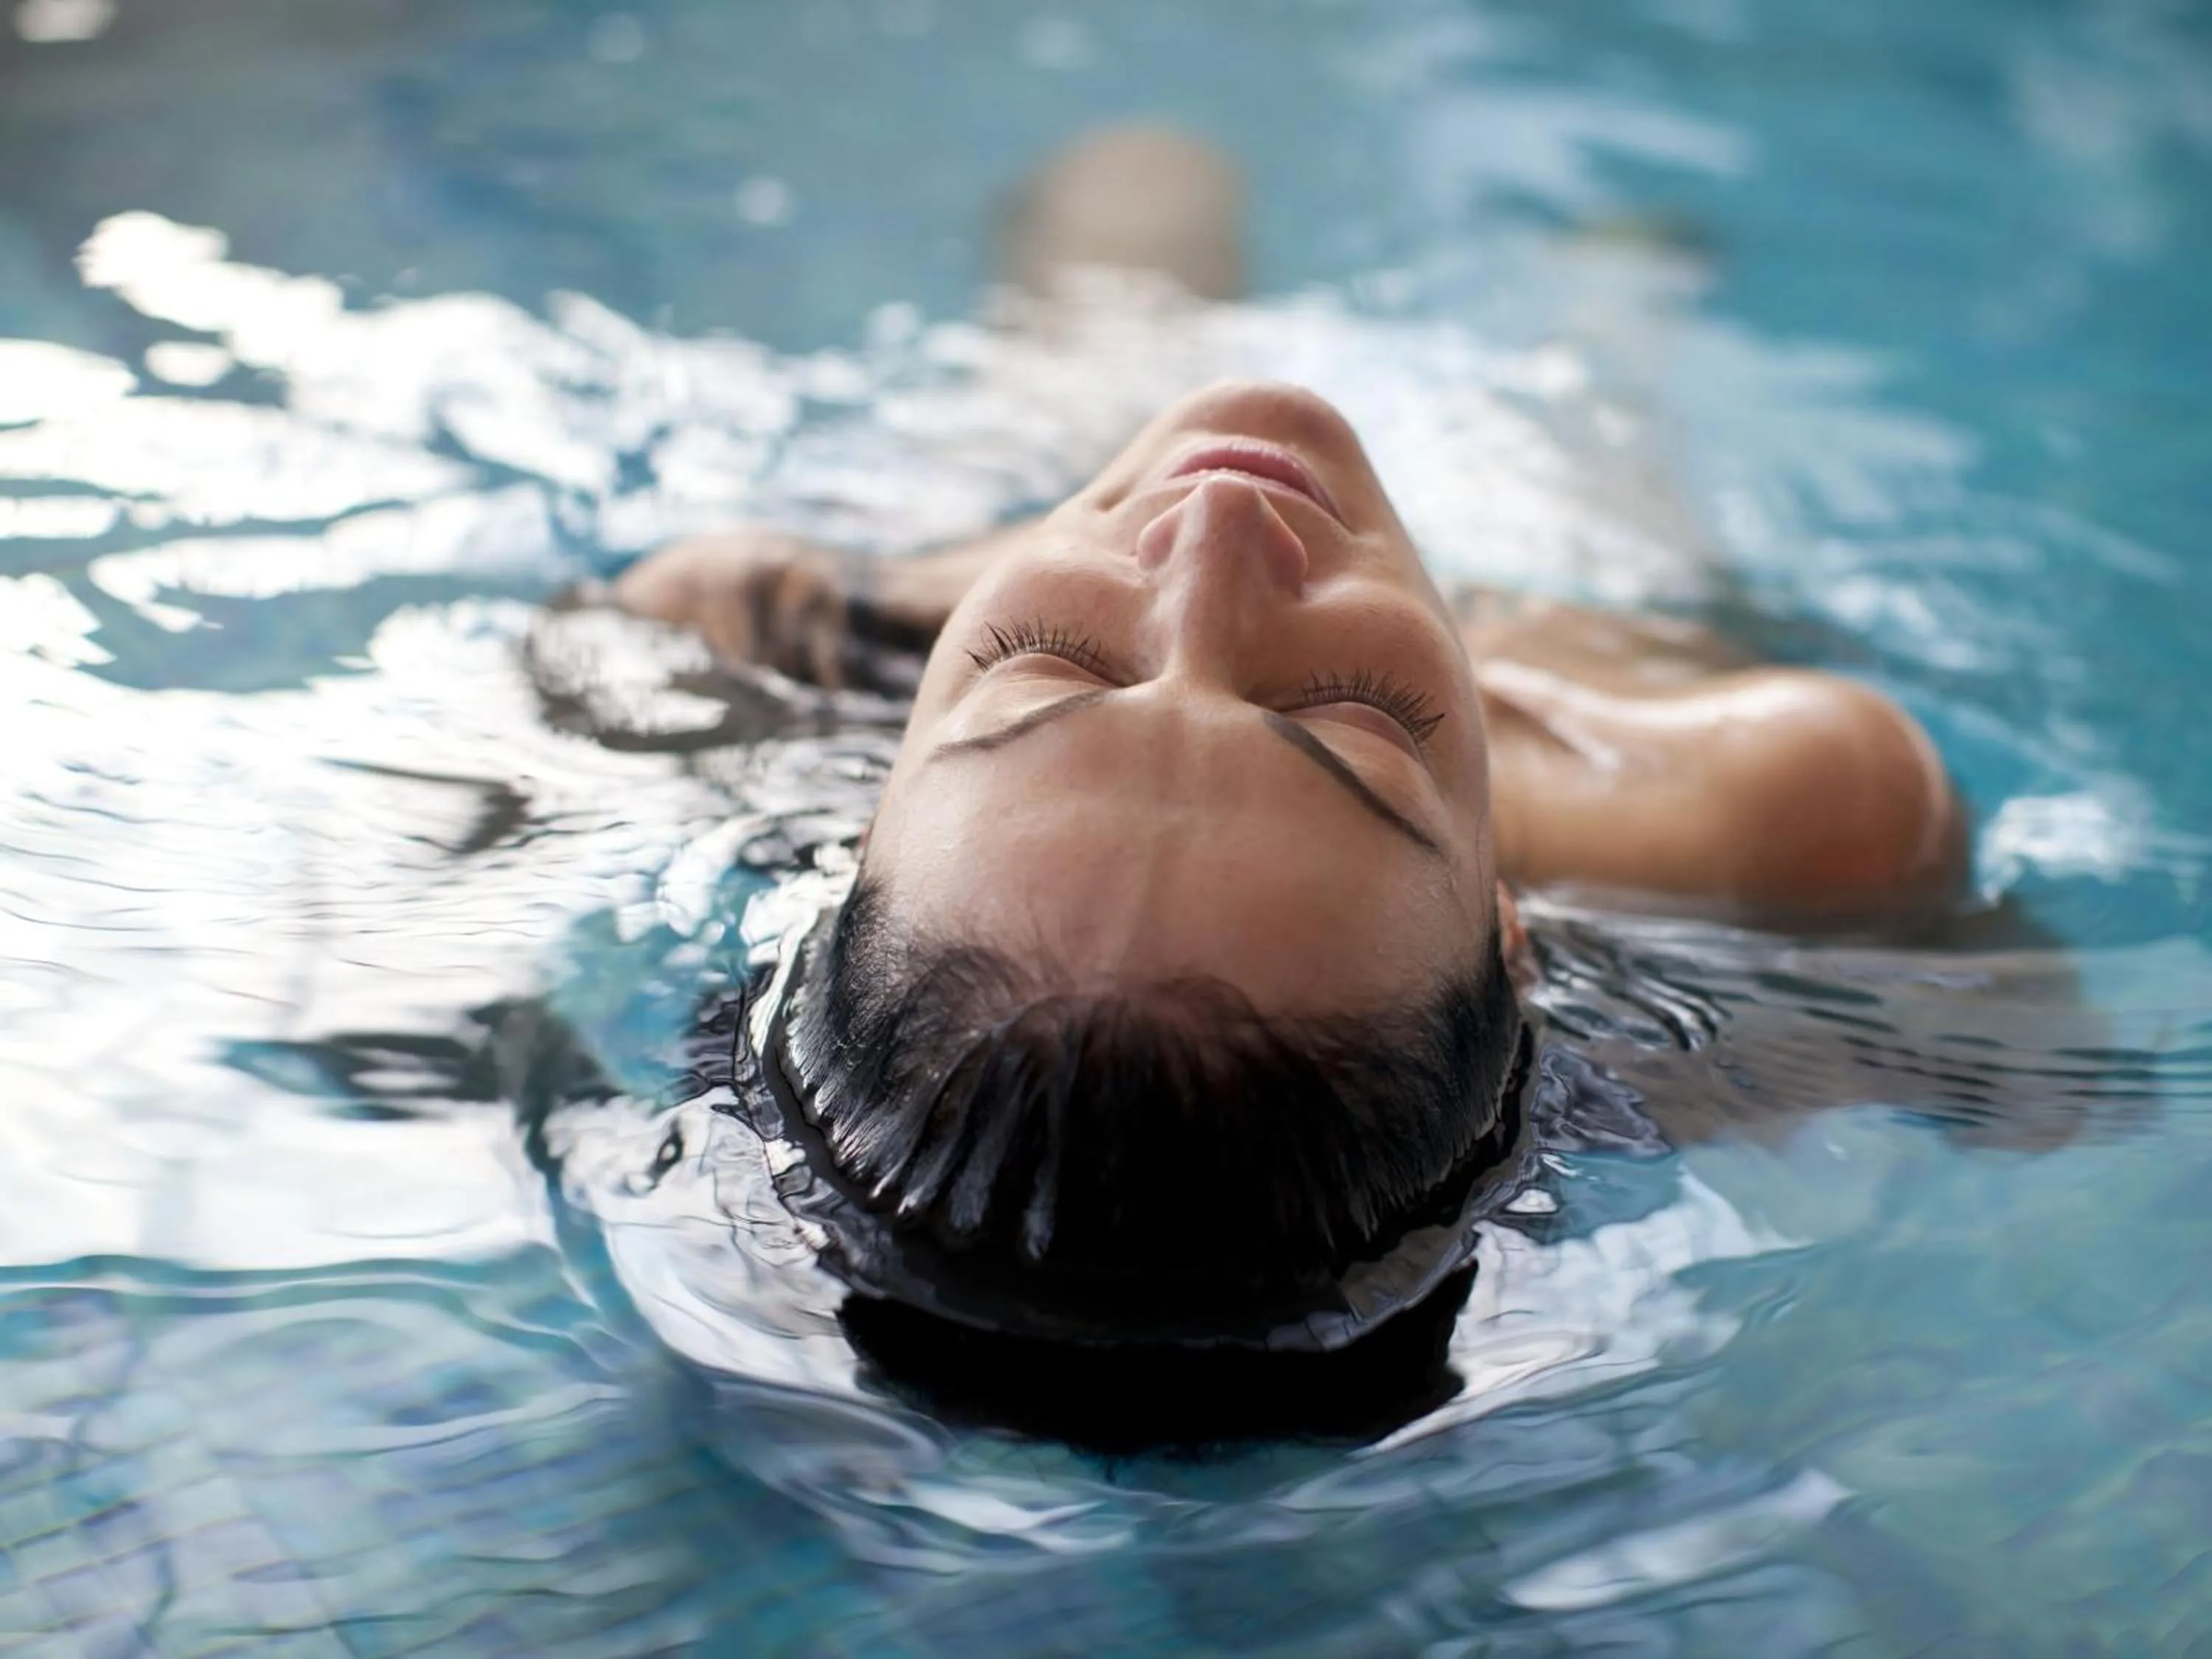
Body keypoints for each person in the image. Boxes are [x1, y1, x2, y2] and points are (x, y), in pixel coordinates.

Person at [589, 128, 1966, 1355]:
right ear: (1509, 938)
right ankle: (1609, 321)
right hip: (1579, 614)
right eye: (1351, 726)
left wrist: (877, 603)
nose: (1217, 538)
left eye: (1042, 671)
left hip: (975, 543)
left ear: (851, 833)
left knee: (1139, 185)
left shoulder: (759, 653)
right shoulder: (1783, 805)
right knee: (1596, 384)